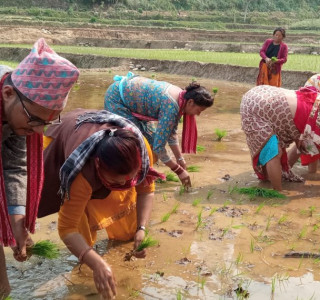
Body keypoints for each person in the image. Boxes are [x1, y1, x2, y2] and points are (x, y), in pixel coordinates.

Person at [38, 109, 164, 300]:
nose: (124, 184)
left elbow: (146, 189)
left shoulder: (140, 149)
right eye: (116, 180)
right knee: (82, 229)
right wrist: (97, 264)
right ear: (98, 166)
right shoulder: (81, 173)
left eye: (130, 178)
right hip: (64, 134)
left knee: (127, 222)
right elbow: (67, 228)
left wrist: (142, 228)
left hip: (98, 134)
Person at [0, 38, 79, 299]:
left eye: (45, 122)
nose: (37, 132)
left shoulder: (15, 109)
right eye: (34, 119)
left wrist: (18, 224)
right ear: (8, 94)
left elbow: (14, 167)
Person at [104, 72, 214, 187]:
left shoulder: (181, 97)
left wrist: (180, 159)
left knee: (151, 141)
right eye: (199, 110)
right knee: (140, 143)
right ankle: (134, 177)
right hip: (117, 99)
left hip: (130, 98)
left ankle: (144, 170)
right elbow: (159, 147)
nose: (198, 114)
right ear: (190, 102)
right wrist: (179, 171)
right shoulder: (171, 107)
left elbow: (171, 133)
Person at [240, 85, 320, 192]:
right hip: (255, 107)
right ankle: (277, 193)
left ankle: (268, 181)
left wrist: (298, 138)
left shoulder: (318, 99)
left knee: (273, 148)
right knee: (274, 152)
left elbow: (296, 116)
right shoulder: (318, 120)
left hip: (262, 93)